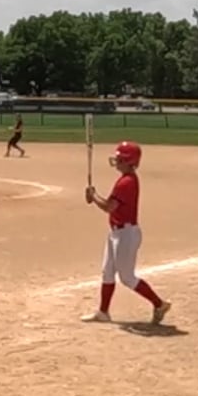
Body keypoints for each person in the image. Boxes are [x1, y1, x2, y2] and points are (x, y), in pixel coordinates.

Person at [81, 139, 172, 326]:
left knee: (127, 277)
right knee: (107, 272)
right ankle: (103, 312)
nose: (117, 161)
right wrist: (94, 196)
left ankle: (159, 304)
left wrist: (93, 196)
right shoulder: (125, 179)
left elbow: (109, 207)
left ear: (130, 161)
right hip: (117, 232)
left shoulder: (127, 182)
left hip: (126, 235)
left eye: (121, 159)